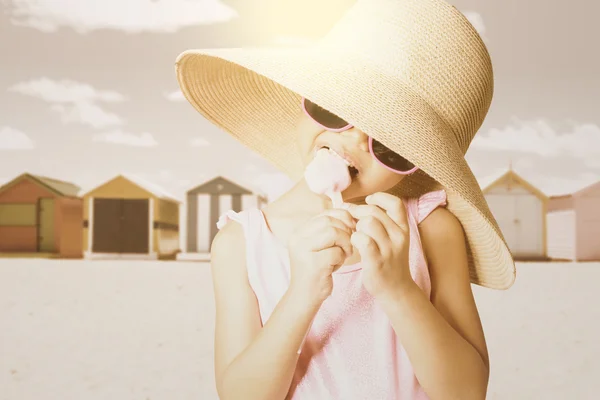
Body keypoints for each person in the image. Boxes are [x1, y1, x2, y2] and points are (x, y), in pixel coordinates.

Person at [175, 0, 516, 398]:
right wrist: (302, 294)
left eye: (391, 145)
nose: (353, 141)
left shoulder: (431, 229)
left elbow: (467, 392)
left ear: (419, 164)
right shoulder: (241, 243)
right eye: (336, 110)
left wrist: (398, 288)